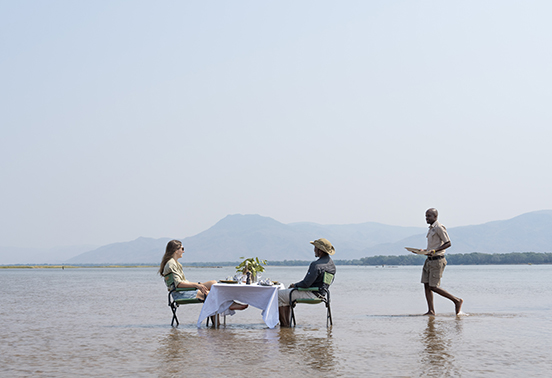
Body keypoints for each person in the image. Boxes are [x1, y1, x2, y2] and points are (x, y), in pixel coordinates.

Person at [159, 239, 248, 311]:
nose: (183, 251)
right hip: (180, 293)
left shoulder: (176, 263)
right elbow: (178, 284)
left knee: (213, 283)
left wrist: (199, 285)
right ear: (175, 250)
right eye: (182, 249)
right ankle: (230, 305)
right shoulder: (171, 264)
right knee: (212, 294)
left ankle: (226, 308)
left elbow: (181, 282)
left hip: (183, 290)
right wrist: (197, 285)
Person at [410, 208, 463, 315]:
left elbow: (448, 243)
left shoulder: (439, 227)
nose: (426, 218)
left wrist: (434, 251)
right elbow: (433, 247)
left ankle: (457, 300)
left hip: (437, 261)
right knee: (426, 285)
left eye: (429, 216)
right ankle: (431, 311)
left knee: (433, 287)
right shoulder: (431, 229)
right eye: (426, 216)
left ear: (435, 217)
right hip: (428, 260)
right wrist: (423, 251)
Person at [278, 238, 337, 327]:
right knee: (285, 297)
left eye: (315, 248)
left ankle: (285, 327)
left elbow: (306, 284)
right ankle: (286, 326)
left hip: (312, 293)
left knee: (278, 295)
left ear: (320, 251)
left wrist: (294, 285)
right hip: (323, 295)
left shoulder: (316, 265)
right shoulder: (332, 265)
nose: (314, 250)